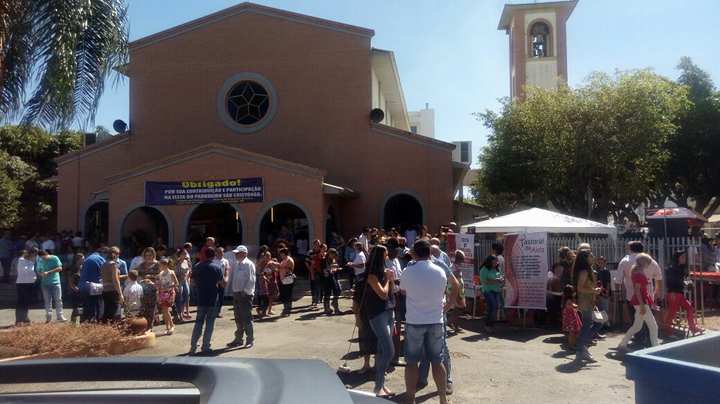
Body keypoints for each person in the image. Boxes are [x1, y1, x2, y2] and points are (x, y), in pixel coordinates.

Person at [400, 240, 451, 404]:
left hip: (415, 320)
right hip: (436, 321)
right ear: (430, 253)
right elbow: (446, 290)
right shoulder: (440, 271)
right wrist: (447, 306)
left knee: (412, 362)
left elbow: (403, 291)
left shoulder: (408, 271)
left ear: (415, 253)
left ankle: (410, 397)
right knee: (437, 361)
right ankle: (442, 397)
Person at [363, 245, 395, 398]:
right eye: (386, 254)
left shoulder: (384, 271)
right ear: (381, 256)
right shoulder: (371, 275)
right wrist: (388, 280)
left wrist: (391, 279)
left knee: (382, 350)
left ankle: (380, 384)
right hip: (377, 314)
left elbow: (391, 292)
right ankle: (377, 386)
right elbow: (382, 294)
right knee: (389, 351)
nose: (388, 256)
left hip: (388, 311)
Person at [619, 253, 660, 351]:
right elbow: (637, 290)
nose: (649, 264)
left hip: (640, 301)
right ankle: (656, 347)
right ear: (643, 263)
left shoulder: (637, 272)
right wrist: (642, 305)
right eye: (648, 262)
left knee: (637, 326)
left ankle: (623, 344)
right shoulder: (639, 274)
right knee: (653, 326)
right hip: (641, 302)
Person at [190, 247, 224, 354]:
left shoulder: (197, 266)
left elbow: (192, 283)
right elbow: (222, 283)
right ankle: (205, 346)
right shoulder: (217, 267)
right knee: (210, 323)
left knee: (198, 323)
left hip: (201, 298)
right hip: (213, 299)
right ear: (213, 256)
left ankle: (193, 346)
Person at [663, 250, 703, 335]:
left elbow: (683, 279)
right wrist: (674, 291)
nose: (684, 258)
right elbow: (670, 282)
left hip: (679, 293)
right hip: (673, 293)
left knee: (689, 308)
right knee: (672, 313)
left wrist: (688, 283)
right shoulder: (671, 268)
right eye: (682, 257)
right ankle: (667, 331)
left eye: (685, 257)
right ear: (677, 258)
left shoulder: (681, 268)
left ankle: (693, 328)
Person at [574, 250, 602, 362]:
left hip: (589, 300)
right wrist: (593, 291)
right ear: (586, 258)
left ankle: (582, 347)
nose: (593, 257)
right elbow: (580, 288)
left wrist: (594, 291)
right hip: (585, 301)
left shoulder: (587, 271)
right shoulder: (584, 271)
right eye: (591, 255)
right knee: (589, 324)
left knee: (596, 322)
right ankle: (581, 347)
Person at [227, 245, 256, 349]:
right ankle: (238, 339)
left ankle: (250, 340)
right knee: (238, 318)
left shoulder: (249, 264)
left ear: (244, 253)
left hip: (245, 295)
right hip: (236, 294)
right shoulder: (237, 263)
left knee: (247, 318)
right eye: (235, 253)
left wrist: (246, 291)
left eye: (238, 253)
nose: (235, 254)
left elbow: (251, 280)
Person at [37, 249, 66, 323]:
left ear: (47, 254)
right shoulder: (40, 260)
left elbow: (60, 268)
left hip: (55, 283)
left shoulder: (55, 258)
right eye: (42, 258)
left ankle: (60, 316)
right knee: (47, 301)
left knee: (58, 300)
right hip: (45, 284)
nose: (43, 259)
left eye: (44, 257)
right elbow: (38, 270)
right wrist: (41, 274)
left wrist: (49, 272)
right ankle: (48, 317)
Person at [79, 246, 106, 322]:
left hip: (83, 286)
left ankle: (87, 324)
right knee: (98, 306)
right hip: (94, 287)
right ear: (103, 253)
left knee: (87, 308)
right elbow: (104, 272)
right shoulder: (100, 259)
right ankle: (96, 323)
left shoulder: (88, 258)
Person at [478, 255, 502, 330]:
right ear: (490, 262)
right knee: (493, 306)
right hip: (488, 290)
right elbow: (484, 281)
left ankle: (490, 324)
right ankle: (488, 325)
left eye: (496, 261)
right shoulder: (484, 269)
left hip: (497, 290)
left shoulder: (497, 269)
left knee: (495, 307)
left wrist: (501, 279)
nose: (496, 263)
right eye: (494, 261)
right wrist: (496, 280)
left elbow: (500, 277)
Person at [157, 257, 179, 335]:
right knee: (164, 311)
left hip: (169, 293)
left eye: (160, 265)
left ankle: (171, 325)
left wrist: (170, 287)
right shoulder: (160, 274)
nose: (159, 267)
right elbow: (159, 284)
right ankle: (168, 326)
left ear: (165, 265)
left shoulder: (171, 272)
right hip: (162, 293)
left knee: (165, 310)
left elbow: (177, 283)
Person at [15, 249, 37, 325]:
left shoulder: (31, 262)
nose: (34, 257)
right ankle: (18, 320)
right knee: (21, 302)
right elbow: (26, 271)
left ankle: (25, 318)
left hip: (30, 283)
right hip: (21, 283)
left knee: (27, 302)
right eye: (33, 255)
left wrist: (34, 277)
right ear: (29, 255)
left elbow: (32, 272)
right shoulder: (21, 260)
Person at [322, 248, 342, 315]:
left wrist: (336, 268)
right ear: (329, 253)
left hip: (333, 277)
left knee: (337, 290)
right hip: (327, 278)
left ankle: (335, 306)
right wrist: (331, 267)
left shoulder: (333, 259)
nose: (334, 256)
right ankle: (327, 308)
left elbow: (334, 268)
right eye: (333, 254)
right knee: (328, 293)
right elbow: (325, 270)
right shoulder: (325, 260)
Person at [213, 246, 230, 318]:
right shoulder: (213, 260)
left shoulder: (225, 261)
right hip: (214, 282)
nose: (220, 253)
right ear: (216, 253)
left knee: (221, 297)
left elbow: (227, 270)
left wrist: (226, 279)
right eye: (219, 252)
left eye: (222, 252)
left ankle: (218, 312)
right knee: (213, 297)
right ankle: (212, 311)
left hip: (222, 281)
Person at [562, 285, 582, 350]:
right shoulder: (568, 300)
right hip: (571, 317)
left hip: (572, 316)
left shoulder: (566, 299)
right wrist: (575, 306)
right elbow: (570, 306)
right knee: (572, 332)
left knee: (573, 332)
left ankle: (573, 343)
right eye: (573, 291)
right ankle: (571, 345)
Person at [175, 248, 192, 321]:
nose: (185, 254)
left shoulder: (187, 261)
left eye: (185, 253)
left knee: (187, 295)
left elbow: (189, 270)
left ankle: (183, 311)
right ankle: (179, 314)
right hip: (179, 281)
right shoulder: (177, 262)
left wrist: (188, 277)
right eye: (183, 253)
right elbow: (174, 273)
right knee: (179, 297)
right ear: (180, 254)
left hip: (185, 280)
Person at [277, 247, 295, 316]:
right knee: (285, 294)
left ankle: (287, 309)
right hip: (283, 279)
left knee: (287, 295)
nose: (281, 255)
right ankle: (286, 309)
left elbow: (289, 269)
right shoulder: (283, 260)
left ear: (285, 253)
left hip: (288, 279)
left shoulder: (289, 259)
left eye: (282, 254)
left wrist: (280, 267)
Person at [67, 253, 85, 323]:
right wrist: (74, 288)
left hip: (81, 290)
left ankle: (82, 322)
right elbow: (70, 280)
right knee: (76, 308)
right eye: (83, 259)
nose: (84, 260)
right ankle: (73, 324)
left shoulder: (83, 267)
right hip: (75, 291)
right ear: (78, 259)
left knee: (82, 308)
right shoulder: (73, 268)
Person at [595, 256, 611, 331]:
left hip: (604, 291)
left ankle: (606, 324)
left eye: (602, 262)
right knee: (599, 309)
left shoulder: (606, 271)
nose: (601, 264)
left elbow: (608, 282)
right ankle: (600, 324)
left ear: (605, 263)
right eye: (599, 262)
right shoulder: (596, 271)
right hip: (597, 292)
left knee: (605, 308)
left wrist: (607, 291)